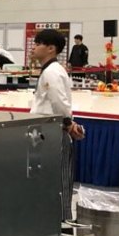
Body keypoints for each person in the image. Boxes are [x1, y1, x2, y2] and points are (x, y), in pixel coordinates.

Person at [30, 29, 85, 222]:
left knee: (59, 179)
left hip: (54, 131)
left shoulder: (53, 71)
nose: (34, 47)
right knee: (45, 178)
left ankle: (62, 221)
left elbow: (59, 103)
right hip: (44, 131)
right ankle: (46, 219)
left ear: (51, 48)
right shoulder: (49, 70)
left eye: (38, 44)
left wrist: (68, 124)